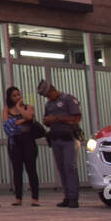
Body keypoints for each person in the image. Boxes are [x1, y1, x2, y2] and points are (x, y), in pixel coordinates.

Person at [38, 79, 82, 208]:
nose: (48, 98)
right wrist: (47, 121)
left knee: (70, 167)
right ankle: (67, 196)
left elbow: (76, 118)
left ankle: (74, 197)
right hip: (56, 138)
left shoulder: (68, 99)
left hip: (69, 138)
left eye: (48, 95)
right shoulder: (49, 104)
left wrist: (57, 118)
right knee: (61, 168)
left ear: (53, 89)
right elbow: (46, 121)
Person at [2, 86, 39, 206]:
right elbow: (7, 124)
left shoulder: (28, 107)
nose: (17, 97)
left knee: (31, 169)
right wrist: (20, 120)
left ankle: (35, 198)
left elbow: (29, 116)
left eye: (18, 94)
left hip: (28, 140)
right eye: (14, 95)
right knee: (17, 170)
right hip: (14, 141)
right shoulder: (7, 109)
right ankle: (18, 198)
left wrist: (19, 108)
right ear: (9, 97)